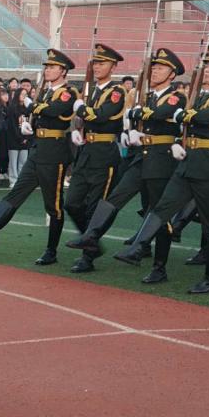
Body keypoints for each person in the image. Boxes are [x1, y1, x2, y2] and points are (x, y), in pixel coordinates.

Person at [116, 43, 209, 294]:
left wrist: (182, 115)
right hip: (187, 162)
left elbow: (203, 118)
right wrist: (177, 140)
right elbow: (187, 125)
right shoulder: (200, 97)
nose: (207, 70)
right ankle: (139, 248)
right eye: (206, 65)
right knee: (162, 208)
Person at [66, 48, 187, 277]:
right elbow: (135, 118)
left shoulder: (176, 96)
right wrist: (128, 130)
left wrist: (137, 114)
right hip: (141, 156)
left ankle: (159, 267)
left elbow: (159, 113)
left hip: (161, 159)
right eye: (153, 67)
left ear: (172, 74)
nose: (155, 71)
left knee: (158, 212)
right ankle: (92, 235)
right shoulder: (148, 96)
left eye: (161, 68)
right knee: (115, 198)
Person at [0, 49, 79, 266]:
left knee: (54, 205)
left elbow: (54, 110)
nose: (47, 70)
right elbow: (42, 113)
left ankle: (51, 251)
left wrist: (31, 105)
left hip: (54, 153)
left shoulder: (68, 92)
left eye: (52, 67)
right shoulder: (46, 92)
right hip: (38, 149)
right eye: (47, 67)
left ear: (63, 71)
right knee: (16, 192)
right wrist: (32, 126)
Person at [63, 43, 128, 273]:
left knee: (94, 206)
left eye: (103, 63)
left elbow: (101, 115)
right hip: (86, 152)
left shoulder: (117, 91)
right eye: (96, 63)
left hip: (104, 154)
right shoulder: (91, 91)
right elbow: (83, 119)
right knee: (71, 202)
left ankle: (87, 257)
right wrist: (76, 128)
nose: (98, 66)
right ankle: (92, 242)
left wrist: (81, 109)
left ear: (113, 67)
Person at [6, 87, 33, 184]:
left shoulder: (27, 109)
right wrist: (20, 138)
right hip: (14, 139)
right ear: (17, 95)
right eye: (22, 94)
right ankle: (13, 180)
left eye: (26, 94)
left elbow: (30, 125)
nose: (24, 96)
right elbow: (12, 126)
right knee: (13, 162)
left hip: (25, 139)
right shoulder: (12, 108)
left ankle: (21, 181)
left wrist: (26, 138)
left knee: (23, 161)